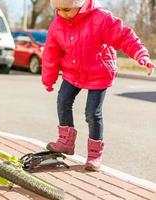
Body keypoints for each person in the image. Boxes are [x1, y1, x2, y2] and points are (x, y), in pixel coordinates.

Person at [42, 0, 155, 171]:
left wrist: (142, 56)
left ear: (80, 4)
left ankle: (94, 156)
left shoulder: (100, 19)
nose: (62, 14)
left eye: (66, 9)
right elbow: (51, 53)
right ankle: (66, 141)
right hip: (73, 72)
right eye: (58, 10)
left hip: (98, 72)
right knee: (63, 100)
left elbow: (124, 36)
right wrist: (48, 79)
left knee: (92, 113)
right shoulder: (57, 25)